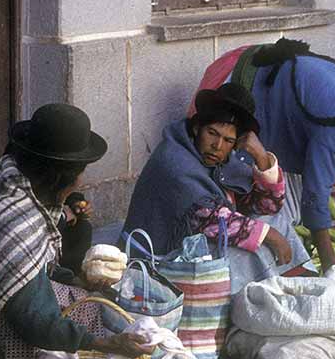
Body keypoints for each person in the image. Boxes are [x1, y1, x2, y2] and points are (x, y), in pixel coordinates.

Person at [0, 104, 148, 359]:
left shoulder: (2, 182)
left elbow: (37, 269)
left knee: (72, 292)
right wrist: (104, 343)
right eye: (80, 174)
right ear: (62, 179)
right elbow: (37, 321)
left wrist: (76, 279)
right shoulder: (19, 221)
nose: (80, 182)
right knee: (75, 309)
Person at [192, 39, 335, 270]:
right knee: (233, 194)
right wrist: (329, 261)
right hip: (241, 86)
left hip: (258, 67)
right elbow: (315, 200)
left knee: (266, 194)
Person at [123, 82, 301, 292]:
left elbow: (268, 206)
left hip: (198, 238)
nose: (217, 146)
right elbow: (211, 219)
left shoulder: (225, 161)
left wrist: (261, 156)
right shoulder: (173, 161)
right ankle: (263, 297)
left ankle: (294, 284)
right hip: (157, 257)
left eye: (228, 140)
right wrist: (270, 235)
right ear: (197, 128)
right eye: (212, 133)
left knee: (275, 221)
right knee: (251, 247)